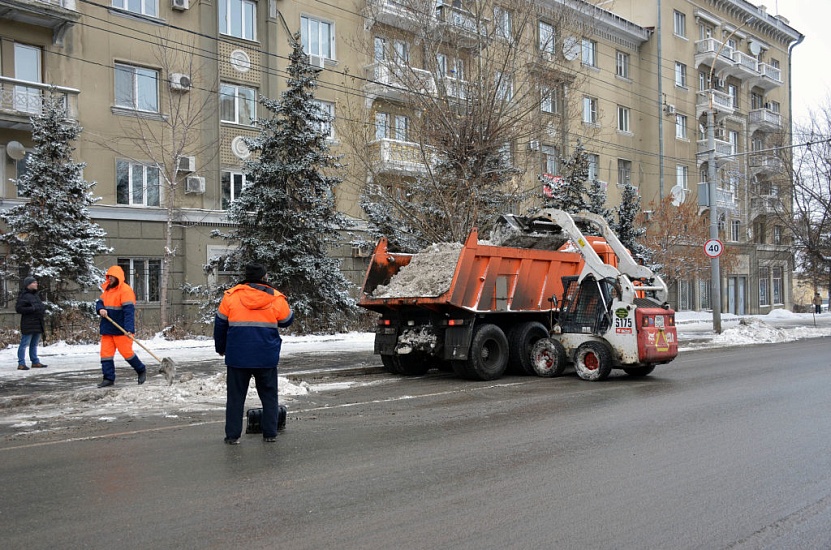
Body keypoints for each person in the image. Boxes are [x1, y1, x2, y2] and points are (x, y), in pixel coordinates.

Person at [214, 263, 293, 445]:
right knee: (269, 396)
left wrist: (221, 347)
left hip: (237, 356)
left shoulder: (231, 296)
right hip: (266, 355)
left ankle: (232, 436)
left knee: (235, 398)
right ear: (264, 277)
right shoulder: (275, 297)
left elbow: (220, 324)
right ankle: (270, 434)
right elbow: (287, 320)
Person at [95, 265, 147, 387]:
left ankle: (141, 369)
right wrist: (100, 309)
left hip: (122, 329)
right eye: (109, 276)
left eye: (112, 277)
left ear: (118, 277)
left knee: (126, 353)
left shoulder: (125, 290)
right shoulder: (107, 289)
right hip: (108, 327)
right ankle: (108, 378)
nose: (110, 279)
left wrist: (128, 329)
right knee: (105, 354)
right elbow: (99, 302)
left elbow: (129, 312)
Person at [15, 276, 47, 370]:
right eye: (34, 283)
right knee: (24, 343)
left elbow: (39, 306)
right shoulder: (24, 295)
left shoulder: (35, 295)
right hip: (28, 323)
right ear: (28, 285)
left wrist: (42, 309)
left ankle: (35, 361)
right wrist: (32, 309)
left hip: (37, 322)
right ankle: (21, 363)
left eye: (36, 282)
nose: (36, 284)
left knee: (34, 344)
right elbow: (19, 308)